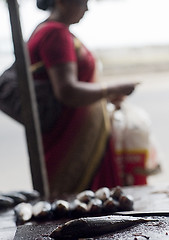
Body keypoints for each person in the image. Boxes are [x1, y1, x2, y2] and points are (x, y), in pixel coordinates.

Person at [28, 0, 138, 196]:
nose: (86, 9)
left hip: (74, 133)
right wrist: (112, 88)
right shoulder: (55, 33)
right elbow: (67, 91)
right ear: (61, 3)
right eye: (82, 3)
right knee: (79, 208)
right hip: (70, 140)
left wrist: (107, 94)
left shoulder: (47, 29)